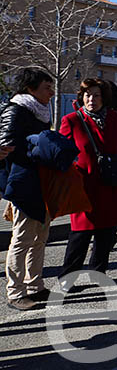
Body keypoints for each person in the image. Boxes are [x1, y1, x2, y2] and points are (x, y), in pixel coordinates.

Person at [58, 78, 117, 290]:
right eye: (87, 95)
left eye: (96, 95)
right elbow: (62, 154)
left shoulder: (115, 119)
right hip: (84, 186)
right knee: (80, 234)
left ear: (103, 98)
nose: (91, 99)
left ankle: (98, 274)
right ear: (81, 97)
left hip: (110, 185)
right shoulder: (71, 120)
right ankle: (67, 280)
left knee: (106, 233)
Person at [0, 68, 55, 310]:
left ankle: (35, 285)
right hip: (22, 182)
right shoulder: (16, 110)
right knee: (22, 238)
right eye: (46, 87)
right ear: (30, 89)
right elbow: (4, 145)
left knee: (40, 236)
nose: (52, 92)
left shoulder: (41, 110)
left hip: (42, 181)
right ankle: (15, 293)